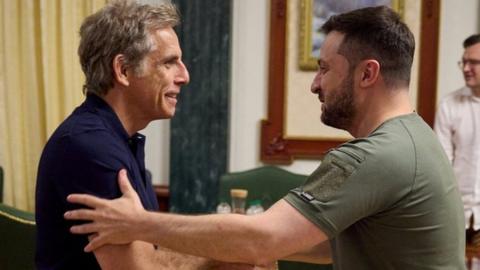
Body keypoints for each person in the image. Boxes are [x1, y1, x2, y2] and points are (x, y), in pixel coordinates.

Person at [64, 6, 466, 269]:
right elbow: (329, 245)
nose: (315, 85)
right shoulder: (417, 137)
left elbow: (265, 237)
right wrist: (242, 250)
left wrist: (139, 224)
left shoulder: (371, 157)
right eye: (170, 62)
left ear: (367, 74)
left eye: (325, 69)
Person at [35, 1, 252, 269]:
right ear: (123, 70)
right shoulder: (89, 147)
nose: (185, 75)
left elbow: (153, 250)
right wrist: (225, 256)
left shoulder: (116, 139)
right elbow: (140, 267)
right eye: (169, 62)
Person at [434, 34, 480, 245]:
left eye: (474, 62)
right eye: (464, 61)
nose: (466, 68)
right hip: (456, 216)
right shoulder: (449, 104)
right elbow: (442, 164)